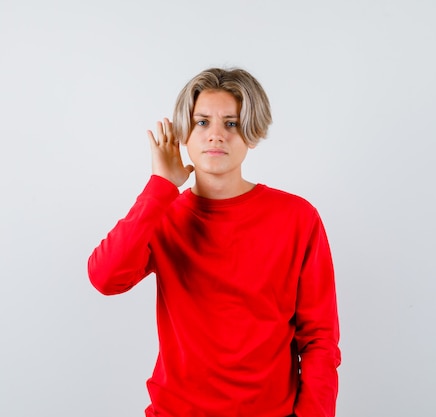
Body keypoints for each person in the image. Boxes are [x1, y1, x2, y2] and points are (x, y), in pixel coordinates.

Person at [87, 67, 341, 417]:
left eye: (232, 123)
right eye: (202, 122)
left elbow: (319, 340)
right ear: (183, 133)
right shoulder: (162, 214)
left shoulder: (297, 217)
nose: (216, 135)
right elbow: (105, 278)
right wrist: (161, 185)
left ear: (252, 133)